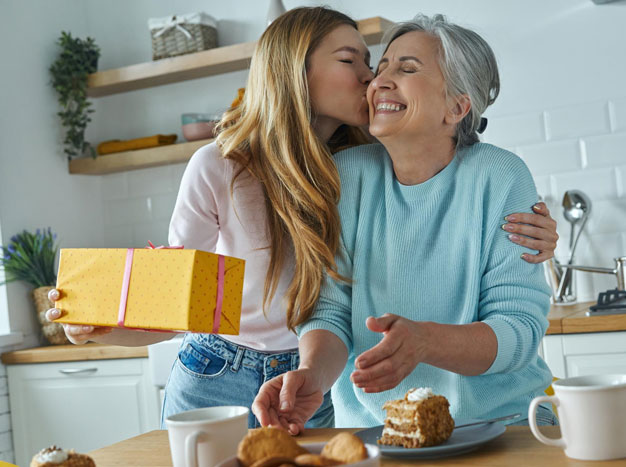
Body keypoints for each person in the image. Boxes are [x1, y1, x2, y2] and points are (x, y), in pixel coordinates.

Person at [46, 8, 558, 430]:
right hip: (226, 368)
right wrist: (101, 327)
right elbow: (187, 301)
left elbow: (504, 298)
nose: (371, 76)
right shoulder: (231, 167)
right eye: (353, 60)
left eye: (376, 63)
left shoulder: (364, 158)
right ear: (295, 70)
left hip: (325, 380)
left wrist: (529, 233)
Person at [252, 14, 557, 435]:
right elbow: (330, 311)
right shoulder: (347, 174)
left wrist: (427, 342)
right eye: (383, 68)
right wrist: (313, 377)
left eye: (408, 69)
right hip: (378, 432)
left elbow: (519, 330)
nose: (379, 81)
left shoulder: (500, 176)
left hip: (504, 427)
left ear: (456, 107)